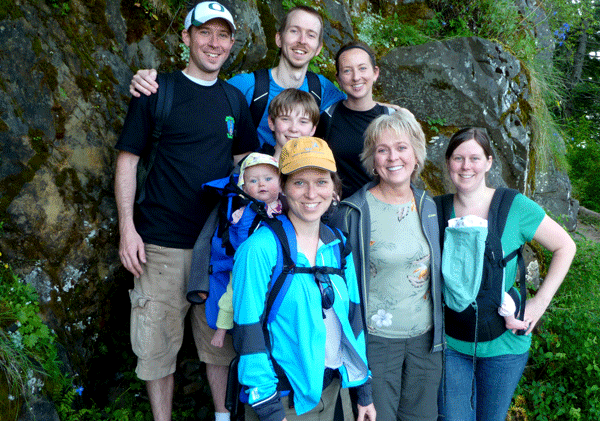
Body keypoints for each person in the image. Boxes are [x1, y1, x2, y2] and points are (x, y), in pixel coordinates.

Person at [115, 1, 259, 421]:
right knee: (156, 347)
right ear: (186, 37)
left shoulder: (235, 99)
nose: (214, 43)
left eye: (223, 35)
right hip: (159, 245)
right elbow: (127, 161)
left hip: (216, 251)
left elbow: (245, 166)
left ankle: (222, 416)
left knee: (219, 346)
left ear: (232, 43)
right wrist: (127, 229)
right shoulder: (157, 91)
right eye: (204, 32)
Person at [436, 127, 576, 421]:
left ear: (489, 162)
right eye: (458, 158)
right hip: (451, 343)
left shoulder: (514, 206)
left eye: (475, 158)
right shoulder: (435, 210)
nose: (466, 166)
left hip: (504, 344)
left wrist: (539, 303)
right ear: (448, 162)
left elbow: (565, 246)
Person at [232, 137, 376, 421]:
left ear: (334, 188)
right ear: (283, 187)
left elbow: (353, 319)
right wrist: (270, 411)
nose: (311, 193)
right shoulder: (259, 249)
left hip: (335, 393)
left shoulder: (337, 244)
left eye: (321, 182)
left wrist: (363, 392)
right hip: (284, 403)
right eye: (299, 182)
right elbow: (248, 332)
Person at [329, 111, 443, 421]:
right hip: (375, 342)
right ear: (372, 158)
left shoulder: (428, 205)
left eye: (402, 147)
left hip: (426, 341)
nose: (393, 157)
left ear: (416, 154)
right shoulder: (353, 212)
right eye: (383, 149)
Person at [129, 6, 345, 147]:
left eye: (311, 35)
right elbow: (201, 92)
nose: (302, 41)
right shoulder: (246, 86)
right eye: (294, 31)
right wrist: (150, 81)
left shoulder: (322, 89)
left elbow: (357, 107)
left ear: (319, 48)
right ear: (279, 39)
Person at [207, 153, 282, 348]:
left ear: (281, 183)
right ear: (244, 189)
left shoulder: (287, 207)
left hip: (277, 263)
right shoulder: (242, 212)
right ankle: (222, 329)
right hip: (246, 263)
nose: (261, 184)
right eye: (253, 181)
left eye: (268, 179)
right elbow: (236, 237)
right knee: (231, 295)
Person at [317, 41, 395, 197]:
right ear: (338, 78)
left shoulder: (392, 118)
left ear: (375, 73)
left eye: (362, 68)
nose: (356, 77)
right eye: (347, 71)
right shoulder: (328, 117)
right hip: (341, 207)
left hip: (385, 203)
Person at [264, 88, 320, 160]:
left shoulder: (320, 164)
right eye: (285, 119)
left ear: (313, 129)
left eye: (303, 121)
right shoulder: (256, 163)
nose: (293, 129)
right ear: (271, 122)